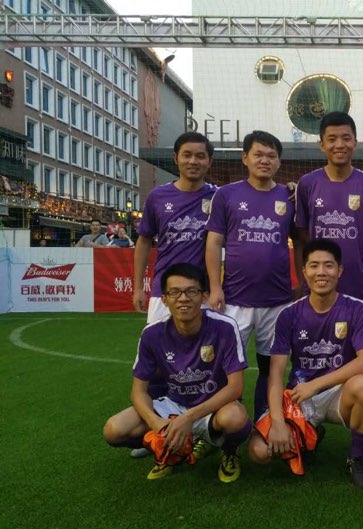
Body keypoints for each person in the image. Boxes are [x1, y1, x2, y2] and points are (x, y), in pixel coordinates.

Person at [247, 239, 363, 488]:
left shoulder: (356, 308)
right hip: (300, 397)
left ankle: (357, 457)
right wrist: (278, 422)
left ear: (339, 270)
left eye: (329, 265)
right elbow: (275, 374)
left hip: (339, 393)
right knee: (259, 452)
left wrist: (316, 385)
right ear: (304, 271)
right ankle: (310, 434)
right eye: (314, 265)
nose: (321, 272)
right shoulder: (288, 314)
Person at [102, 263, 252, 483]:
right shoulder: (152, 334)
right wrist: (156, 423)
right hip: (174, 405)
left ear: (204, 296)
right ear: (164, 299)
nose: (183, 298)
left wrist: (188, 418)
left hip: (213, 407)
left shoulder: (225, 327)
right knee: (114, 430)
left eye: (191, 291)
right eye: (175, 292)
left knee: (236, 418)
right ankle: (172, 451)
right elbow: (138, 392)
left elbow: (236, 387)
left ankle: (229, 451)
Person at [206, 130, 300, 422]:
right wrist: (215, 287)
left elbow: (300, 242)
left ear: (279, 162)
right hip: (234, 299)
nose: (264, 160)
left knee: (271, 367)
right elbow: (213, 242)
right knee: (224, 368)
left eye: (271, 156)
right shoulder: (226, 194)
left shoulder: (289, 196)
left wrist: (302, 283)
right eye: (258, 154)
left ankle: (263, 420)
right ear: (245, 158)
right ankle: (224, 425)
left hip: (277, 300)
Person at [294, 111, 363, 312]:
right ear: (322, 145)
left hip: (359, 287)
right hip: (318, 289)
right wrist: (316, 267)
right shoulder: (307, 184)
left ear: (355, 142)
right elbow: (301, 233)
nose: (339, 145)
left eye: (346, 138)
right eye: (332, 139)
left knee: (360, 334)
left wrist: (361, 260)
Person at [133, 131, 217, 324]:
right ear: (176, 158)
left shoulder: (219, 197)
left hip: (203, 292)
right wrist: (138, 288)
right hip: (164, 291)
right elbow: (144, 241)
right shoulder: (157, 197)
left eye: (200, 156)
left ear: (209, 161)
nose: (193, 161)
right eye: (187, 155)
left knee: (204, 344)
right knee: (158, 342)